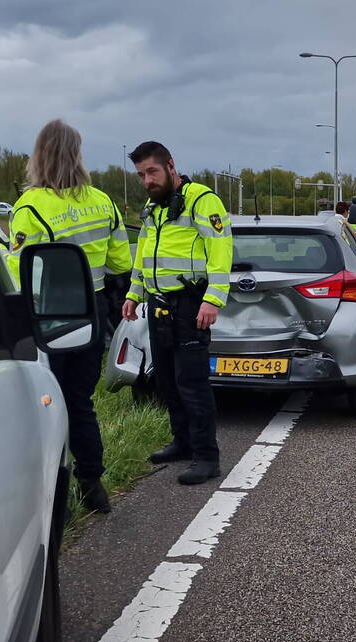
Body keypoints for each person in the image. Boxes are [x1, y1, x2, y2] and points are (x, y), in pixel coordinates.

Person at [8, 119, 133, 513]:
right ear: (77, 154)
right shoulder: (103, 201)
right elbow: (120, 262)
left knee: (43, 405)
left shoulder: (30, 206)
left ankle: (48, 498)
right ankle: (93, 485)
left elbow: (18, 273)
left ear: (38, 155)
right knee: (80, 402)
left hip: (48, 318)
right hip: (92, 315)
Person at [121, 141, 233, 485]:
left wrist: (212, 300)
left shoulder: (202, 200)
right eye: (140, 175)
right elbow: (144, 254)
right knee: (167, 380)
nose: (146, 181)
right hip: (158, 306)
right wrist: (133, 293)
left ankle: (206, 456)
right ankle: (182, 443)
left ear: (171, 166)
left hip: (190, 305)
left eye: (151, 172)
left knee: (192, 383)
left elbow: (220, 249)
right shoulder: (152, 207)